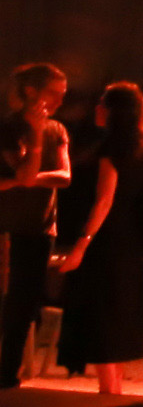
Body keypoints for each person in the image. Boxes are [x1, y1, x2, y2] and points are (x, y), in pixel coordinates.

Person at [52, 81, 143, 393]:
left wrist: (82, 244)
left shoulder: (112, 148)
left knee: (102, 317)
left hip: (106, 238)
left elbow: (104, 200)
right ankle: (114, 389)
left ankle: (109, 392)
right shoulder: (139, 146)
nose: (97, 108)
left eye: (103, 104)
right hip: (127, 236)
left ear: (115, 111)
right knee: (118, 313)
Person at [2, 63, 73, 381]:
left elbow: (64, 176)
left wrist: (19, 181)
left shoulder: (57, 129)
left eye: (63, 94)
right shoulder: (9, 127)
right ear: (31, 92)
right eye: (53, 93)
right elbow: (27, 173)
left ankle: (7, 373)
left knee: (24, 303)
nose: (59, 101)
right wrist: (34, 135)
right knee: (9, 299)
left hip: (40, 227)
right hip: (8, 225)